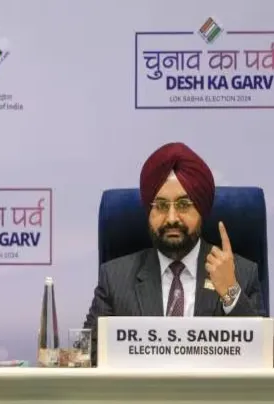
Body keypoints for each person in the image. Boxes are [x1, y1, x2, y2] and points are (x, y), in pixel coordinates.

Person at [84, 142, 263, 365]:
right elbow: (89, 356)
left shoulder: (241, 274)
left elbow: (262, 359)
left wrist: (231, 293)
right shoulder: (115, 278)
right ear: (148, 212)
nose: (171, 218)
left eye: (183, 204)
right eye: (160, 206)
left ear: (201, 209)